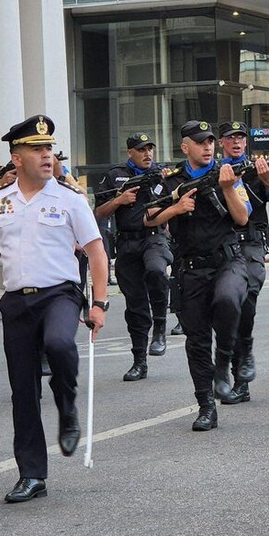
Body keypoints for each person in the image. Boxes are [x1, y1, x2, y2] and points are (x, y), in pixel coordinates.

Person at [0, 115, 108, 503]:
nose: (47, 156)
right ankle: (32, 475)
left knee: (61, 345)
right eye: (37, 150)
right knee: (22, 392)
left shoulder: (69, 199)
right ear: (17, 158)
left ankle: (67, 404)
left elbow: (96, 252)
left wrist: (99, 303)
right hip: (16, 303)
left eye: (49, 148)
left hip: (59, 294)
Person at [142, 119, 251, 430]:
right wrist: (174, 209)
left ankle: (224, 362)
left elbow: (242, 217)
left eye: (210, 142)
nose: (208, 147)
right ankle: (206, 405)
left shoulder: (226, 174)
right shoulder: (171, 181)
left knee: (229, 300)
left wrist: (228, 188)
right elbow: (149, 218)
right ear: (185, 147)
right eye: (201, 142)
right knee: (197, 339)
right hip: (190, 268)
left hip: (227, 261)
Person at [217, 121, 269, 405]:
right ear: (221, 143)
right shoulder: (215, 172)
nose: (236, 142)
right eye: (230, 138)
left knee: (246, 300)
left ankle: (243, 361)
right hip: (221, 245)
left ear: (246, 143)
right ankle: (235, 373)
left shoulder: (258, 170)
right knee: (225, 308)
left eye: (240, 138)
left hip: (250, 243)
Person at [94, 133, 173, 382]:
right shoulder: (114, 175)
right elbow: (98, 212)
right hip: (128, 242)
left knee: (157, 271)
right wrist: (119, 200)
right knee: (135, 304)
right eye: (141, 150)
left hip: (154, 237)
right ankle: (140, 361)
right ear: (130, 153)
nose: (147, 153)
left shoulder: (161, 175)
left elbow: (171, 205)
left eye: (150, 149)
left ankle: (160, 325)